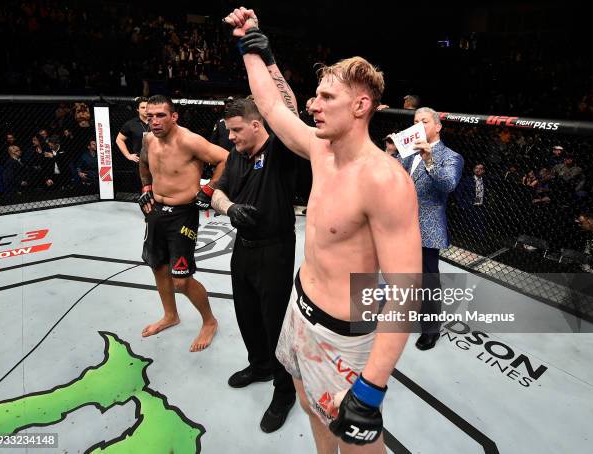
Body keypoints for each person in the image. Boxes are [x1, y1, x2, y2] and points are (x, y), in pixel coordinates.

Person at [224, 8, 421, 452]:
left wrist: (371, 389)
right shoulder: (320, 149)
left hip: (344, 337)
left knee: (357, 443)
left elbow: (408, 291)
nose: (312, 105)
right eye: (315, 95)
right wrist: (251, 42)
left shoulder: (384, 181)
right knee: (311, 408)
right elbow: (272, 107)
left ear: (360, 106)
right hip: (299, 309)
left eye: (325, 97)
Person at [211, 97, 299, 433]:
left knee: (275, 321)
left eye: (235, 130)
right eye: (229, 130)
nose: (230, 137)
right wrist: (230, 208)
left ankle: (285, 389)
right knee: (246, 312)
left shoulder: (279, 150)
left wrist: (267, 63)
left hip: (275, 249)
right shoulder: (235, 156)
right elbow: (217, 192)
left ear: (256, 125)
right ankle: (259, 365)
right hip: (243, 247)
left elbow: (288, 114)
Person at [138, 94, 228, 352]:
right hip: (156, 211)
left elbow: (226, 158)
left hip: (182, 214)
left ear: (174, 116)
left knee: (181, 280)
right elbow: (144, 161)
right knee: (157, 267)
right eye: (150, 116)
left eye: (161, 115)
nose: (154, 121)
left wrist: (209, 189)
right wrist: (145, 186)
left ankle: (209, 321)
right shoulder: (148, 139)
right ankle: (170, 315)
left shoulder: (189, 140)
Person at [392, 107, 463, 350]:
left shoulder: (451, 156)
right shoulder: (408, 153)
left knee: (428, 281)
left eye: (423, 121)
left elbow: (449, 184)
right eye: (415, 121)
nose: (418, 125)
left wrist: (429, 160)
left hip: (427, 228)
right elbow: (393, 177)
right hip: (401, 224)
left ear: (437, 126)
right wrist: (391, 152)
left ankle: (431, 329)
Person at [116, 97, 149, 190]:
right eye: (143, 107)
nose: (146, 109)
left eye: (148, 107)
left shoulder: (156, 121)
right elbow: (119, 139)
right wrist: (128, 155)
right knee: (143, 187)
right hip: (140, 160)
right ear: (137, 109)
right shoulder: (131, 124)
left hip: (157, 159)